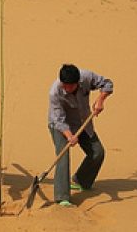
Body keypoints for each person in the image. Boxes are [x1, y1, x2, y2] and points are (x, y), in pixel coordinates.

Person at [48, 64, 113, 207]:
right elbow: (58, 119)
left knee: (97, 152)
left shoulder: (87, 77)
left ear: (78, 82)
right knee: (63, 156)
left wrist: (101, 98)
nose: (67, 89)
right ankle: (62, 197)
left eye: (71, 86)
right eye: (65, 86)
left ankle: (81, 181)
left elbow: (108, 83)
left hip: (83, 121)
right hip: (60, 126)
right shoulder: (55, 92)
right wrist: (69, 135)